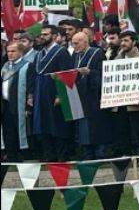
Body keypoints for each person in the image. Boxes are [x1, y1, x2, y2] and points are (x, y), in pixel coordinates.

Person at [33, 26, 75, 161]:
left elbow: (67, 73)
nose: (42, 37)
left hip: (54, 93)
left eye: (46, 34)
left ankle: (61, 155)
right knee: (43, 125)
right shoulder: (39, 54)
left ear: (55, 36)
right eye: (42, 34)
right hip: (41, 93)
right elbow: (34, 74)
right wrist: (31, 95)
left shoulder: (61, 52)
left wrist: (60, 95)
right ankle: (48, 155)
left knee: (57, 125)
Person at [70, 30, 109, 159]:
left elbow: (104, 74)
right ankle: (87, 153)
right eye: (73, 44)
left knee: (97, 126)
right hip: (80, 97)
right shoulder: (75, 56)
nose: (74, 46)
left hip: (94, 97)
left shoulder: (97, 53)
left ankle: (100, 153)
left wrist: (90, 73)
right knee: (83, 127)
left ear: (85, 42)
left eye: (76, 43)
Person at [2, 41, 34, 161]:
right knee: (8, 132)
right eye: (8, 51)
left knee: (21, 131)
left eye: (13, 51)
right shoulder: (5, 66)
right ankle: (11, 156)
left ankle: (24, 156)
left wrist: (28, 106)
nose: (10, 54)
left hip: (19, 106)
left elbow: (31, 88)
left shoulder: (27, 66)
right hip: (5, 105)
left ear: (20, 52)